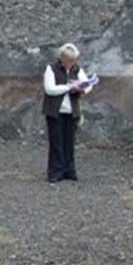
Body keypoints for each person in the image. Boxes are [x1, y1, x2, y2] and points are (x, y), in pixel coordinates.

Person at [42, 43, 92, 183]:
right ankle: (55, 172)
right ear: (62, 58)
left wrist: (83, 88)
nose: (71, 63)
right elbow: (50, 89)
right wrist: (69, 87)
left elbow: (87, 85)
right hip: (55, 111)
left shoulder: (77, 69)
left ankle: (69, 170)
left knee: (69, 142)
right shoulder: (51, 69)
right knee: (56, 142)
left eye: (73, 60)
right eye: (69, 60)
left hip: (72, 111)